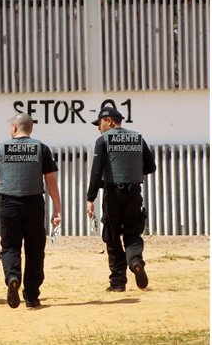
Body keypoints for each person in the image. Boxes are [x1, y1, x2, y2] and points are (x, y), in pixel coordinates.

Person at [0, 113, 62, 308]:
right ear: (31, 129)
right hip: (34, 203)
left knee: (10, 246)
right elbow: (51, 181)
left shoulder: (0, 149)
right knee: (35, 249)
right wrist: (57, 209)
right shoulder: (41, 148)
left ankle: (13, 277)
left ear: (14, 128)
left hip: (8, 204)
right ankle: (32, 295)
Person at [85, 107, 156, 292]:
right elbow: (151, 166)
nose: (98, 128)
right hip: (134, 192)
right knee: (132, 233)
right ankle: (135, 262)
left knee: (113, 236)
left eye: (99, 123)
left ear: (108, 120)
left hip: (113, 194)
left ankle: (118, 282)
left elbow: (96, 172)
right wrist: (132, 173)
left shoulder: (103, 141)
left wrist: (90, 198)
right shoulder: (137, 138)